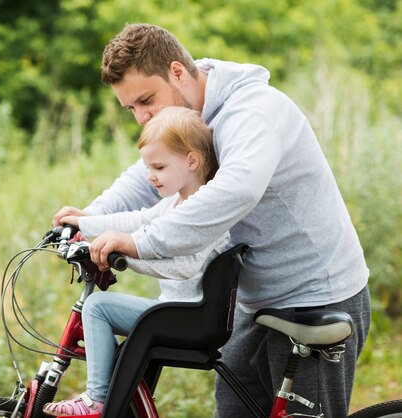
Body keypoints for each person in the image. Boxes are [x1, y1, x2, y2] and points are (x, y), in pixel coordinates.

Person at [52, 23, 370, 416]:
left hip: (315, 294)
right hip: (254, 304)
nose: (141, 116)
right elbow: (148, 175)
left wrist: (139, 243)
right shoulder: (186, 121)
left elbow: (236, 190)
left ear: (178, 73)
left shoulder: (252, 112)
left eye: (146, 100)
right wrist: (90, 219)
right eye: (131, 108)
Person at [43, 106, 231, 416]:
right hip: (177, 311)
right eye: (148, 167)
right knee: (103, 312)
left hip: (190, 317)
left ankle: (96, 399)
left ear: (191, 161)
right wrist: (85, 222)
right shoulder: (177, 201)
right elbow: (140, 218)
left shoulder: (202, 210)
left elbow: (184, 267)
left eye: (158, 166)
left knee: (98, 307)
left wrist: (123, 257)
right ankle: (113, 397)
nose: (150, 176)